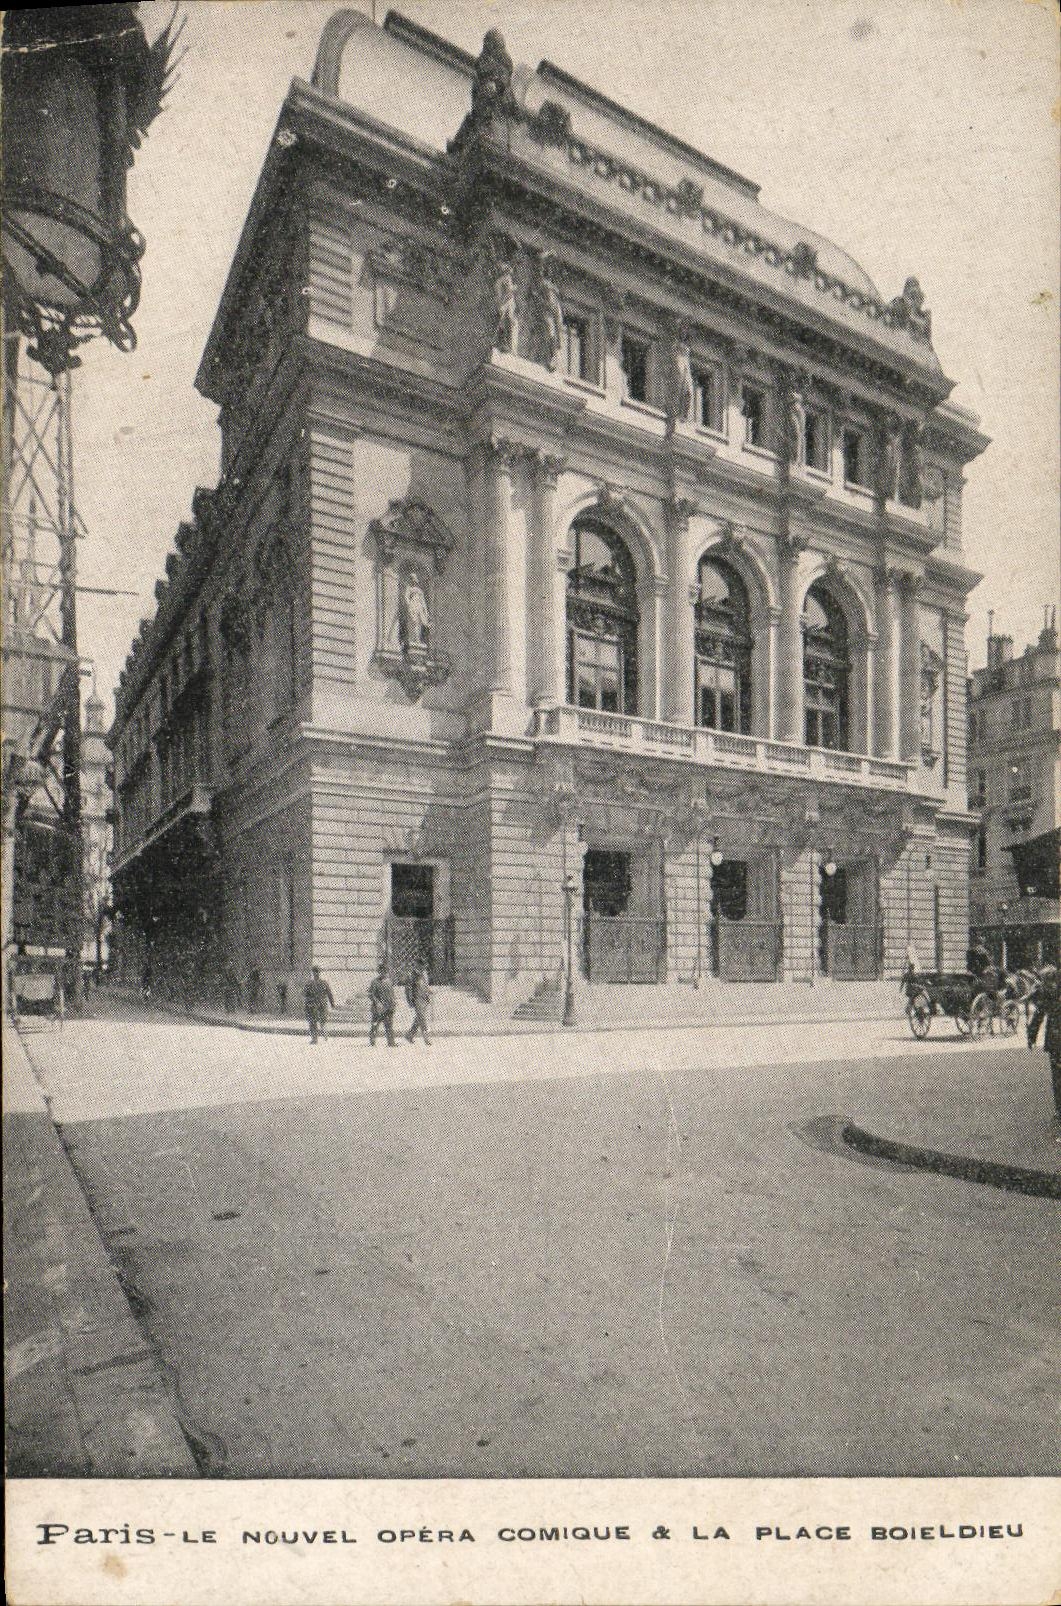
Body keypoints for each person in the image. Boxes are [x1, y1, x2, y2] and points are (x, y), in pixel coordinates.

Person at [1027, 965, 1061, 1117]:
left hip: (1055, 1038)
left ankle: (1060, 1109)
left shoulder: (1046, 993)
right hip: (1055, 1039)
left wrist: (1031, 1036)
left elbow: (1038, 1015)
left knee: (1057, 1075)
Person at [368, 962, 397, 1047]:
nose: (383, 973)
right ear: (379, 971)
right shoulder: (375, 982)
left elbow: (392, 994)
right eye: (381, 971)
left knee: (389, 1026)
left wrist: (393, 1003)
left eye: (385, 971)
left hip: (388, 1007)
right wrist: (377, 1003)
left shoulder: (389, 981)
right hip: (378, 1008)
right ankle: (372, 1041)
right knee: (375, 1024)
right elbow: (371, 994)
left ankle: (391, 1042)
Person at [304, 966, 334, 1045]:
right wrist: (332, 1004)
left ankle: (315, 1038)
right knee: (321, 1021)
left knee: (313, 1022)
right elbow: (329, 994)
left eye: (315, 972)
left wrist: (306, 1005)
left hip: (313, 1005)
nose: (315, 973)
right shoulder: (324, 983)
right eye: (315, 972)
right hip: (321, 1004)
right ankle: (323, 1033)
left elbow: (305, 995)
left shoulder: (309, 983)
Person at [405, 965, 432, 1046]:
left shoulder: (424, 974)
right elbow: (408, 989)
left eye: (422, 967)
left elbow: (425, 986)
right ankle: (426, 1039)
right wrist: (409, 1001)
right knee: (422, 1018)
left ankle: (410, 1035)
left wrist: (429, 991)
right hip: (417, 999)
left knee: (419, 1018)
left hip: (424, 999)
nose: (421, 969)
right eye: (419, 967)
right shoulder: (411, 975)